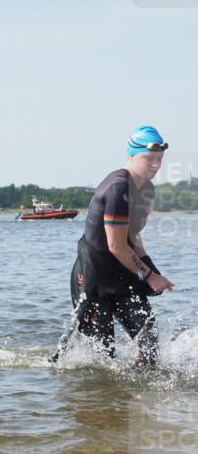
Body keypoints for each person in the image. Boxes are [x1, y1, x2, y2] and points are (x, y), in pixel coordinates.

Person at [52, 125, 175, 365]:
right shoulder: (119, 188)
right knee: (103, 358)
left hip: (123, 273)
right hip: (93, 276)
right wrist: (149, 276)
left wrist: (153, 271)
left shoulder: (147, 190)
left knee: (149, 345)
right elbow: (116, 245)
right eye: (148, 158)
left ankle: (136, 399)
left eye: (159, 159)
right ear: (131, 155)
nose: (155, 164)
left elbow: (134, 238)